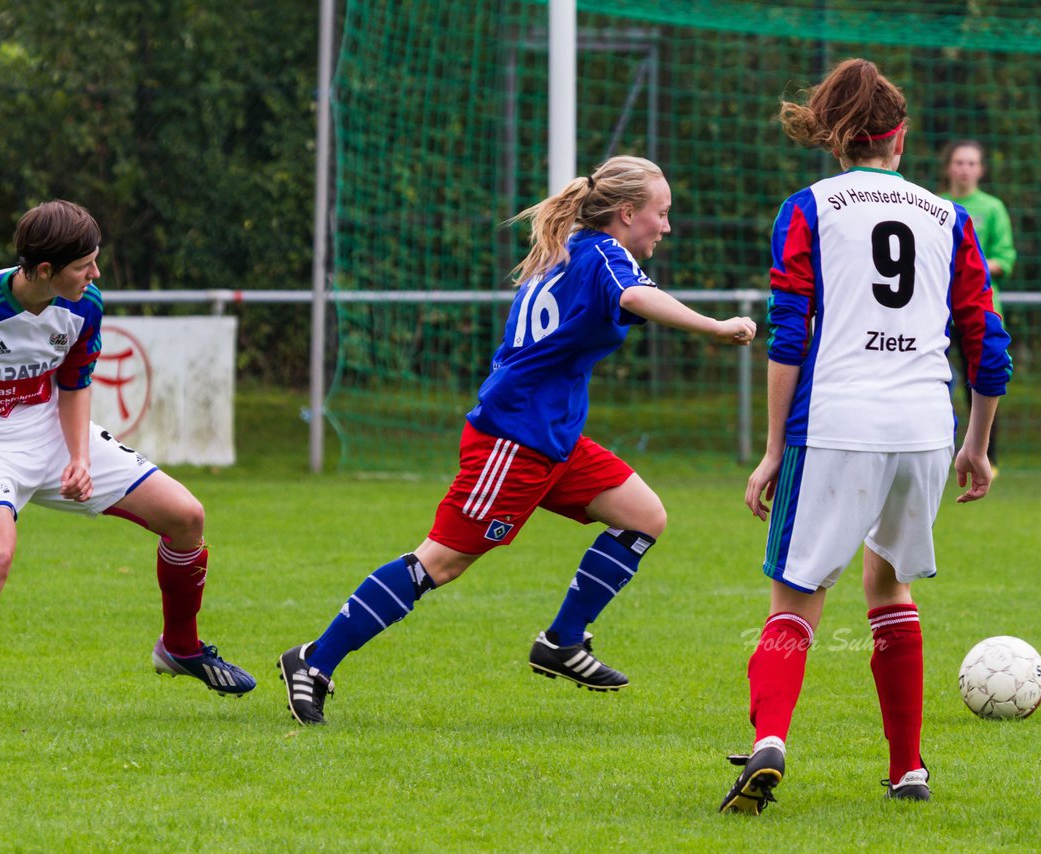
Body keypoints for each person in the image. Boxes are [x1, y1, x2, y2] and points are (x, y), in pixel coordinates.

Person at [277, 155, 757, 725]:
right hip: (514, 439)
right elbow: (634, 299)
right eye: (662, 213)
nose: (667, 225)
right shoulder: (604, 253)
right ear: (627, 213)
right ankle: (314, 660)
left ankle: (562, 641)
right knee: (441, 562)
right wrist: (716, 326)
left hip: (551, 437)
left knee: (643, 515)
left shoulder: (571, 249)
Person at [717, 60, 1012, 812]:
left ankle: (771, 740)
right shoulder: (951, 217)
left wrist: (775, 449)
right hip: (923, 427)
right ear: (900, 137)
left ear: (834, 137)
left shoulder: (810, 207)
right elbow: (987, 342)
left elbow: (790, 336)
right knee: (889, 583)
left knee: (796, 595)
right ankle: (907, 768)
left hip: (840, 421)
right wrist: (975, 444)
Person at [0, 200, 255, 731]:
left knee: (187, 516)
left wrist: (81, 459)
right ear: (45, 271)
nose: (95, 274)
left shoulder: (84, 304)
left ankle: (180, 647)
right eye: (84, 265)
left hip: (55, 436)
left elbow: (74, 382)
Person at [940, 139, 1016, 468]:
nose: (965, 168)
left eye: (972, 163)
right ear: (949, 167)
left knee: (981, 384)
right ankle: (939, 453)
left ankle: (986, 456)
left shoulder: (992, 208)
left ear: (981, 169)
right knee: (937, 382)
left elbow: (1005, 258)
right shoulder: (935, 205)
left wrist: (970, 267)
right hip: (939, 312)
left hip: (981, 311)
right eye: (959, 162)